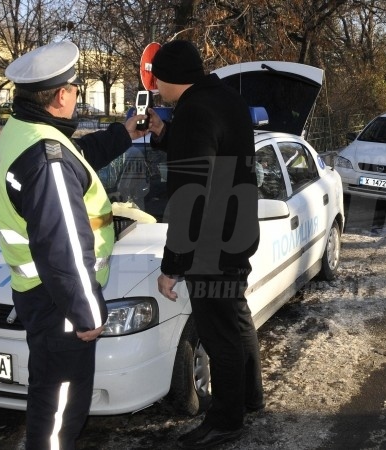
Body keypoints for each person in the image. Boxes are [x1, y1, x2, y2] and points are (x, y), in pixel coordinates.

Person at [0, 40, 148, 450]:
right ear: (62, 95)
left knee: (49, 395)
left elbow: (75, 154)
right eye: (76, 88)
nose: (77, 93)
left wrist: (124, 133)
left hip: (39, 295)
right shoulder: (47, 158)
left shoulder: (26, 131)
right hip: (60, 302)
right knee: (60, 409)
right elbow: (63, 247)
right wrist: (87, 312)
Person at [147, 40, 263, 449]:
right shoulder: (224, 98)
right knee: (236, 316)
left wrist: (172, 264)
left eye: (157, 79)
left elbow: (188, 195)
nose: (156, 87)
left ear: (167, 78)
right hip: (238, 231)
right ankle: (250, 397)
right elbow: (211, 149)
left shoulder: (195, 111)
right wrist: (165, 136)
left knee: (220, 335)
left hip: (210, 242)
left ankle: (226, 420)